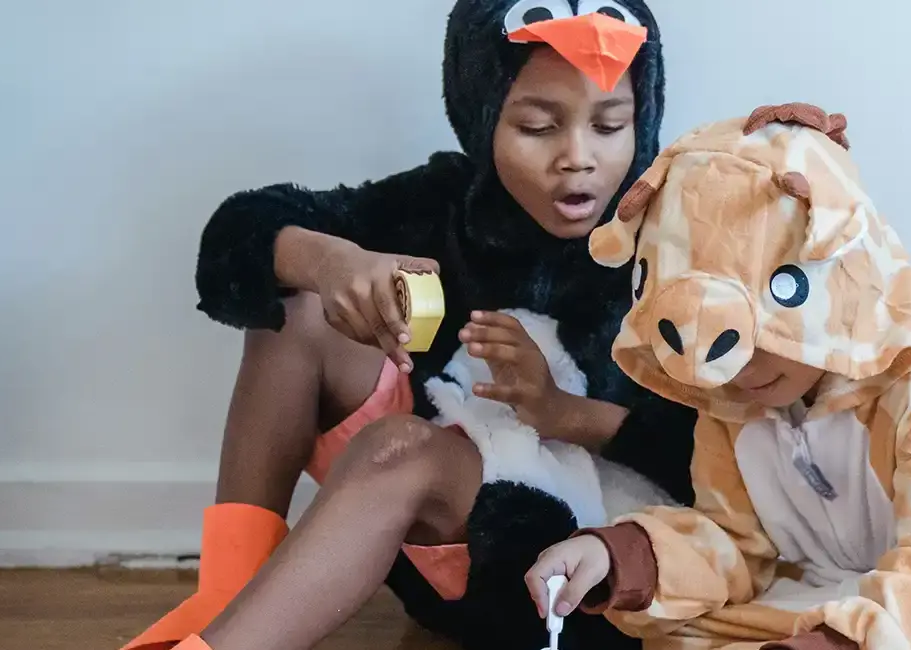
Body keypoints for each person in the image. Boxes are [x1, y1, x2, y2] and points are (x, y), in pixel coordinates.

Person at [120, 2, 696, 649]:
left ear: (642, 118)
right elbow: (235, 239)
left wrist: (568, 415)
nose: (578, 157)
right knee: (295, 304)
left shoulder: (681, 229)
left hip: (591, 586)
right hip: (449, 556)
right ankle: (226, 604)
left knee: (397, 447)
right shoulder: (444, 203)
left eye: (610, 125)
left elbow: (733, 458)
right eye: (537, 127)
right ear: (482, 116)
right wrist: (332, 262)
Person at [521, 103, 911, 650]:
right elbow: (737, 547)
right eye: (717, 350)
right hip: (833, 593)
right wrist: (616, 554)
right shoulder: (730, 402)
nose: (740, 370)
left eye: (762, 332)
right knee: (675, 626)